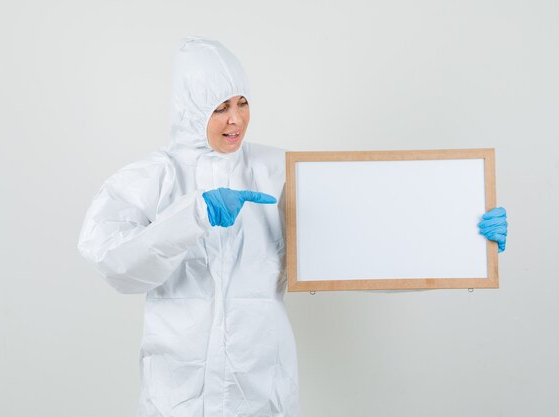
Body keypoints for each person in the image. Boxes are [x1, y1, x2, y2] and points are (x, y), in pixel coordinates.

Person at [77, 36, 508, 417]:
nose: (236, 120)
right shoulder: (153, 178)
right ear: (190, 111)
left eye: (242, 103)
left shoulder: (280, 171)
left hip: (261, 393)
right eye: (220, 107)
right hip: (175, 396)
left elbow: (360, 251)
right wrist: (193, 216)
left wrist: (464, 239)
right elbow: (114, 263)